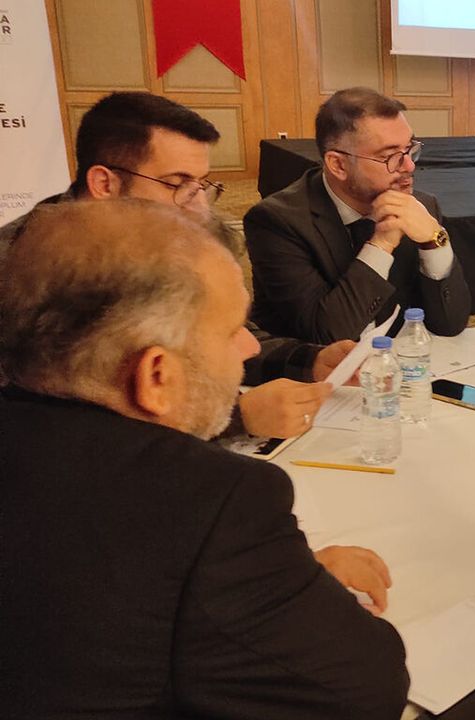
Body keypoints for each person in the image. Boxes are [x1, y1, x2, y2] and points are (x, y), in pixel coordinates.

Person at [0, 200, 408, 718]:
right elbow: (365, 689)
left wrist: (254, 582)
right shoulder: (209, 501)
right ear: (156, 377)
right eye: (231, 329)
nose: (248, 348)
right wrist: (279, 583)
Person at [0, 91, 348, 440]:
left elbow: (215, 334)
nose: (198, 207)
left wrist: (309, 361)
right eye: (178, 184)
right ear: (105, 184)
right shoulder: (19, 267)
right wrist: (236, 419)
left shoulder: (162, 237)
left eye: (201, 186)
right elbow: (30, 426)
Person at [246, 87, 470, 343]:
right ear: (338, 164)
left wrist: (434, 242)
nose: (409, 165)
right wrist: (382, 244)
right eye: (390, 156)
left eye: (410, 149)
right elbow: (327, 336)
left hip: (397, 360)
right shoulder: (277, 222)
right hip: (313, 366)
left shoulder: (420, 207)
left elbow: (450, 324)